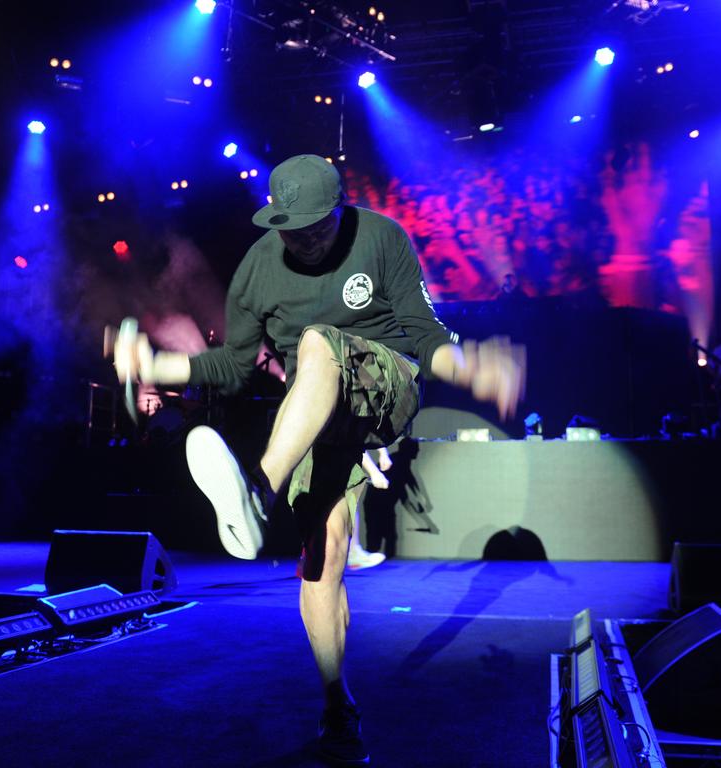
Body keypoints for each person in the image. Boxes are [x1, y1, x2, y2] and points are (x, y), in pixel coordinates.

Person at [112, 154, 525, 765]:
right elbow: (233, 364)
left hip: (387, 382)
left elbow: (424, 332)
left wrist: (468, 368)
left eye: (316, 227)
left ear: (338, 211)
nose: (303, 240)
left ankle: (258, 490)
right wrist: (156, 365)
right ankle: (337, 702)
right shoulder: (257, 270)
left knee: (315, 345)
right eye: (290, 229)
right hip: (316, 413)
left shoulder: (381, 237)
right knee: (324, 553)